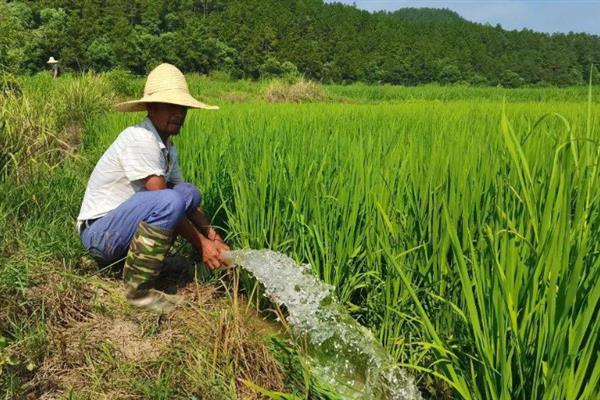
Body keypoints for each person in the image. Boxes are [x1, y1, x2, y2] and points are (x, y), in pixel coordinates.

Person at [77, 63, 230, 314]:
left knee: (188, 193)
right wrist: (202, 245)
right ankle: (139, 293)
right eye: (170, 106)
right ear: (150, 107)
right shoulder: (140, 139)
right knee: (169, 200)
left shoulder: (166, 146)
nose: (178, 113)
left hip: (120, 229)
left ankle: (142, 263)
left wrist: (213, 237)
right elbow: (164, 201)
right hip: (99, 235)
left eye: (182, 107)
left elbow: (182, 199)